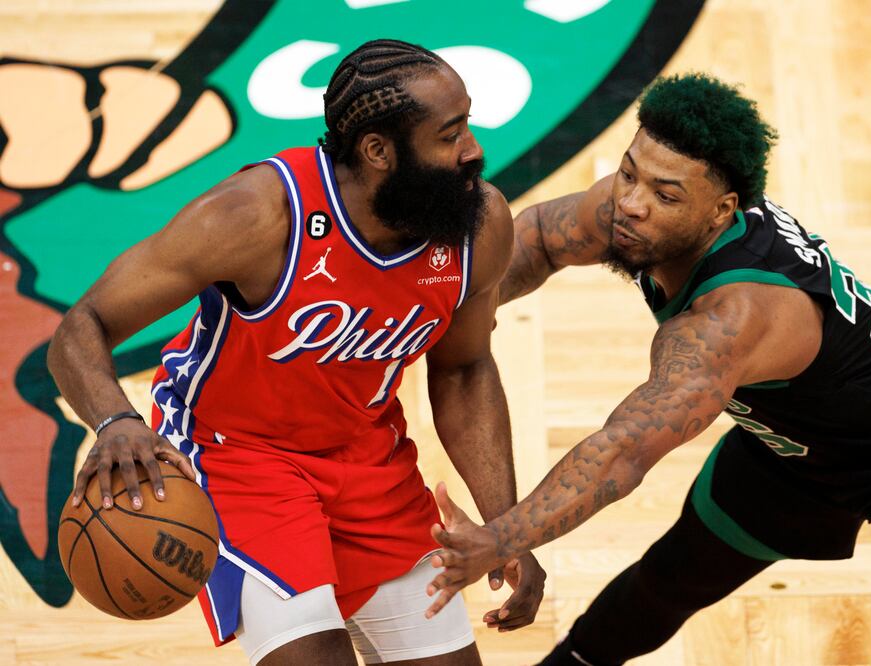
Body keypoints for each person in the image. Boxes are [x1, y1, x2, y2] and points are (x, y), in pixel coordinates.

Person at [423, 72, 871, 666]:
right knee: (669, 581)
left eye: (666, 195)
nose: (631, 203)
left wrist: (497, 539)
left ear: (720, 211)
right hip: (793, 450)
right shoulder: (627, 212)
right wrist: (426, 316)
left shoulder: (730, 319)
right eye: (629, 173)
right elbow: (540, 241)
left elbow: (622, 453)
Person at [47, 39, 546, 666]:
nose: (473, 149)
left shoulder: (477, 222)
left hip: (367, 454)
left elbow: (464, 369)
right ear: (378, 152)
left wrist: (507, 528)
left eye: (467, 124)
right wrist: (115, 419)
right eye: (449, 135)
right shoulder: (254, 216)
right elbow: (81, 326)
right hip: (238, 455)